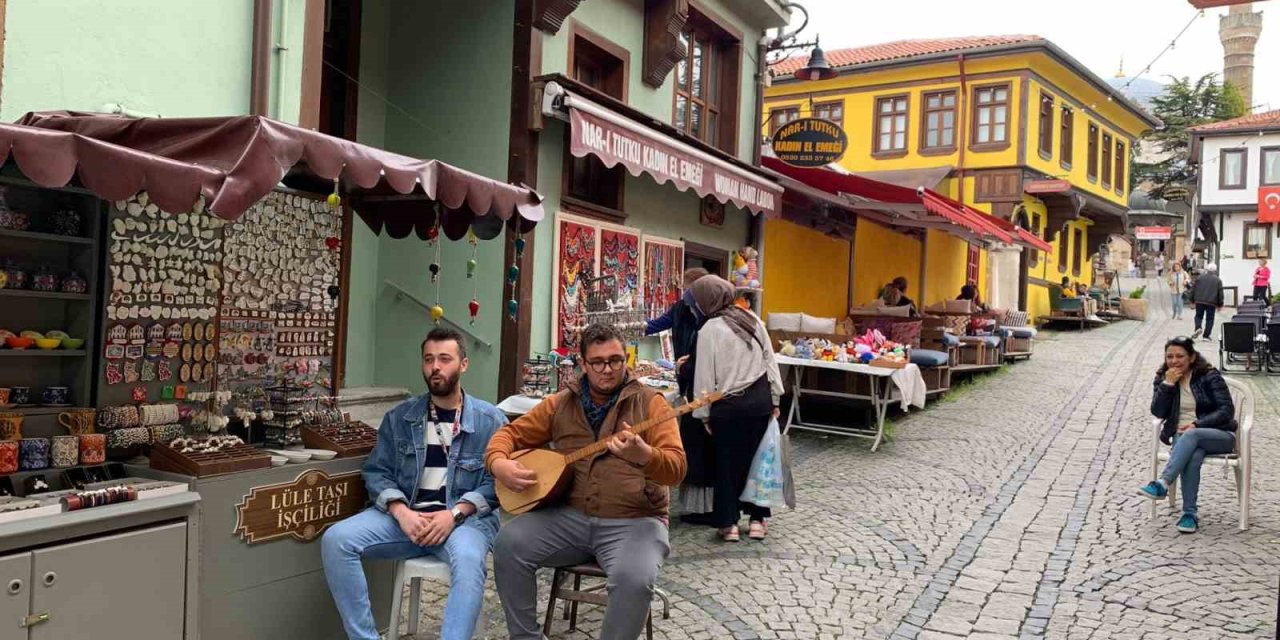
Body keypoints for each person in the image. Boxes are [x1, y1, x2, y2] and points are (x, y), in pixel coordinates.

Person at [486, 323, 686, 640]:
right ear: (583, 364)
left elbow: (677, 468)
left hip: (636, 520)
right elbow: (509, 434)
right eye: (598, 362)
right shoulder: (560, 404)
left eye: (616, 360)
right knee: (508, 544)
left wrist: (645, 456)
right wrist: (498, 463)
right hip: (571, 517)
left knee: (633, 580)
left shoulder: (651, 404)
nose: (608, 369)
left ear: (627, 360)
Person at [322, 327, 507, 640]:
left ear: (463, 365)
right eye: (428, 359)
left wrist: (456, 514)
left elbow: (498, 484)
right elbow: (377, 471)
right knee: (336, 540)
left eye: (444, 359)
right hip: (408, 520)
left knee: (469, 560)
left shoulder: (491, 421)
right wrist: (400, 511)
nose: (435, 366)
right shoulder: (401, 417)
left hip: (463, 523)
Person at [689, 276, 785, 543]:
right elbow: (770, 362)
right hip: (758, 402)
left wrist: (703, 413)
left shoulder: (710, 329)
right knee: (757, 462)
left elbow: (705, 376)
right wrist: (775, 399)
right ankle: (757, 520)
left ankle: (729, 524)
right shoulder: (753, 320)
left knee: (725, 465)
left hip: (728, 406)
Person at [1137, 337, 1237, 533]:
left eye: (1180, 356)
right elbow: (1158, 412)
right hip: (1185, 440)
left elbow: (1226, 410)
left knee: (1191, 435)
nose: (1174, 361)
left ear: (1191, 357)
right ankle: (1189, 514)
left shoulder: (1208, 375)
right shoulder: (1163, 377)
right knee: (1193, 454)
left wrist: (1197, 424)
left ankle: (1163, 482)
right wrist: (1167, 385)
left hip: (1219, 434)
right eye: (1169, 357)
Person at [644, 267, 709, 364]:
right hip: (681, 368)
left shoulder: (712, 312)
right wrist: (635, 328)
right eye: (684, 289)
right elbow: (656, 325)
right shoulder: (679, 308)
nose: (684, 294)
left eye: (687, 290)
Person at [1190, 264, 1224, 341]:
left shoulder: (1199, 278)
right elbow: (1220, 293)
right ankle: (1206, 336)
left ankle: (1198, 327)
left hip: (1199, 301)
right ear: (1215, 270)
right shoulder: (1218, 280)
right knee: (1210, 319)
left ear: (1207, 270)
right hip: (1211, 302)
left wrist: (1192, 300)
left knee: (1198, 316)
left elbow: (1193, 289)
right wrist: (1220, 304)